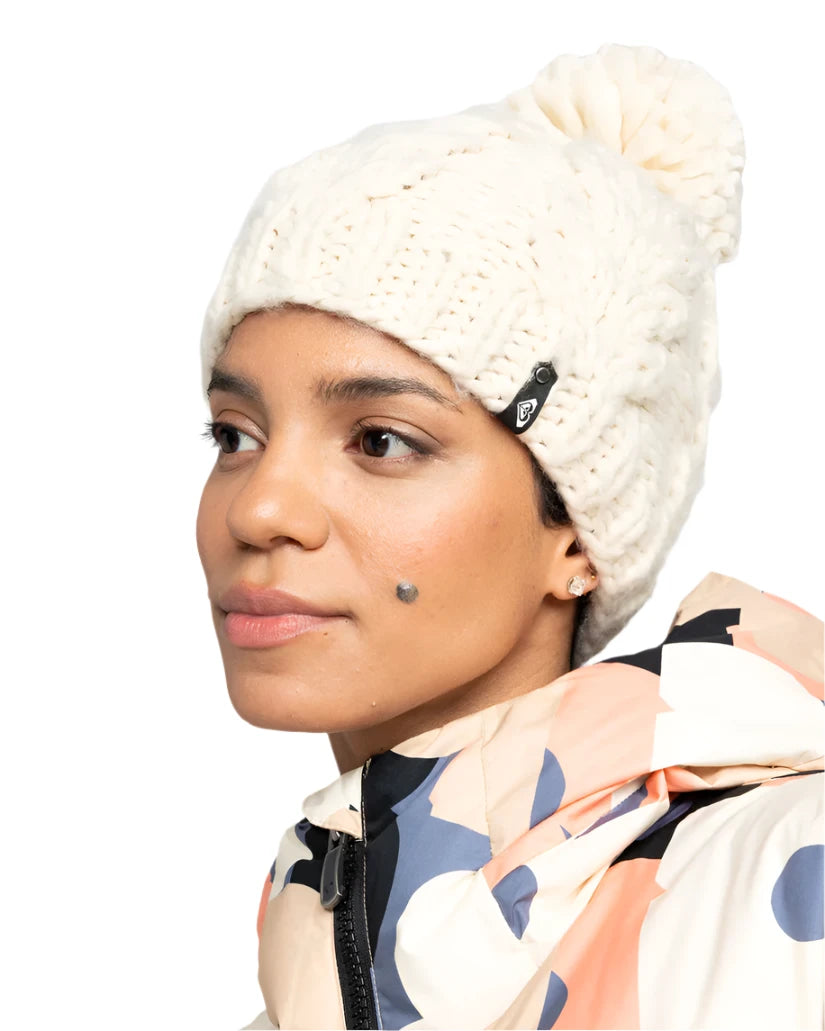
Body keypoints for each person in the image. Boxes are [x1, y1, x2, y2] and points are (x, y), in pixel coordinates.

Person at [195, 42, 824, 1030]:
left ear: (576, 534)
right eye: (235, 435)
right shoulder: (311, 973)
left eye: (380, 440)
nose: (258, 508)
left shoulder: (785, 885)